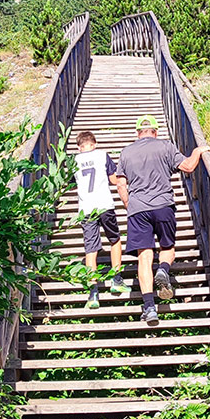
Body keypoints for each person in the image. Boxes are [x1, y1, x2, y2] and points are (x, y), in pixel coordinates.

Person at [114, 115, 210, 326]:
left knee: (143, 257)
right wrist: (197, 152)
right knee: (168, 246)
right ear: (155, 131)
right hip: (163, 205)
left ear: (138, 132)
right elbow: (188, 167)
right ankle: (163, 269)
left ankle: (149, 308)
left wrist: (129, 205)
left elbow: (120, 184)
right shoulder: (165, 146)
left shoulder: (126, 152)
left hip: (138, 209)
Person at [73, 130, 131, 308]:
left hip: (86, 208)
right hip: (104, 204)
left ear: (79, 146)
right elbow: (114, 180)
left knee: (90, 248)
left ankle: (93, 293)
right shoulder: (102, 155)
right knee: (114, 240)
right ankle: (116, 279)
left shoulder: (73, 160)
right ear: (94, 143)